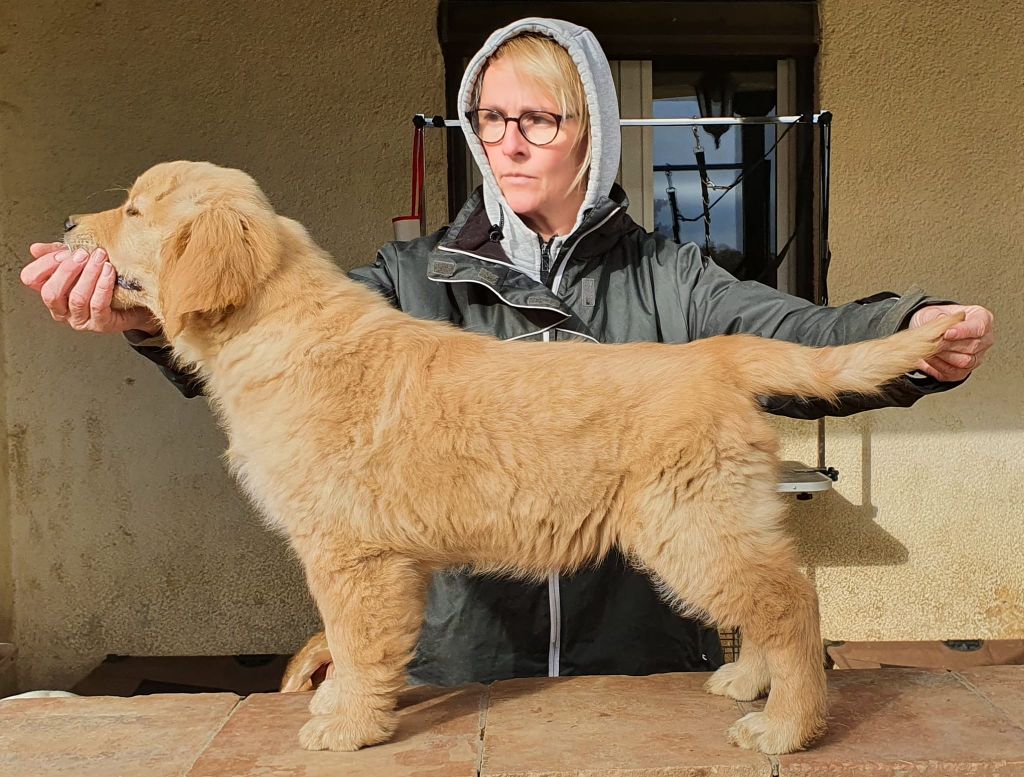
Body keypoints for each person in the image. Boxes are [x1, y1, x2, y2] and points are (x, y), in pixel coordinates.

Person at [21, 18, 994, 686]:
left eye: (540, 119)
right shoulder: (406, 281)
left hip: (640, 669)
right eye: (491, 117)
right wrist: (147, 316)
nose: (509, 142)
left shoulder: (670, 278)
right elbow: (271, 343)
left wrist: (914, 332)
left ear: (594, 135)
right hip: (468, 674)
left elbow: (795, 339)